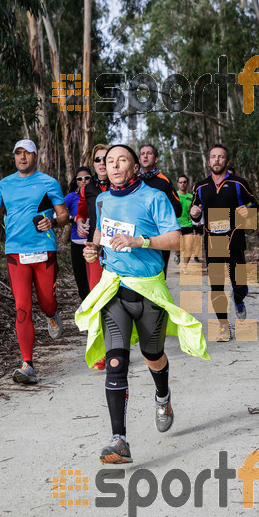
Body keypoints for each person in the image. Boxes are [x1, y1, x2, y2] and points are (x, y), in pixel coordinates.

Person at [75, 144, 209, 464]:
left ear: (135, 166)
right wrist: (92, 249)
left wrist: (140, 241)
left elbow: (177, 240)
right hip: (115, 287)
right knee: (116, 361)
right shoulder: (104, 200)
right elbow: (99, 232)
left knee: (153, 355)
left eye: (122, 160)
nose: (115, 165)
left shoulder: (154, 197)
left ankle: (162, 396)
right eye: (110, 161)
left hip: (148, 289)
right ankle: (118, 439)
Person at [0, 139, 69, 384]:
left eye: (27, 153)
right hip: (15, 252)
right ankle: (27, 365)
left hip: (43, 249)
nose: (22, 158)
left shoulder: (48, 182)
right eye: (18, 153)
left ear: (36, 156)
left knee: (45, 301)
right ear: (14, 157)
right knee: (22, 307)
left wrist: (53, 222)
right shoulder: (5, 184)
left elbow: (64, 215)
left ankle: (51, 313)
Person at [190, 144, 258, 342]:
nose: (217, 160)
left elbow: (254, 204)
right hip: (213, 243)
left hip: (235, 240)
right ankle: (223, 327)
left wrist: (248, 211)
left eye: (221, 157)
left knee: (240, 285)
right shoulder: (201, 186)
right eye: (213, 156)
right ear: (209, 160)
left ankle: (238, 300)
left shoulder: (239, 183)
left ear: (227, 162)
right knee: (217, 286)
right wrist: (194, 214)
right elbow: (195, 211)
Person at [75, 143, 111, 371]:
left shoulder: (124, 186)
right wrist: (79, 221)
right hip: (95, 250)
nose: (100, 163)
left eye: (105, 159)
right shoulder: (87, 188)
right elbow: (81, 211)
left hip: (120, 248)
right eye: (97, 159)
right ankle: (100, 351)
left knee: (117, 299)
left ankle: (118, 347)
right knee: (97, 298)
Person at [138, 143, 182, 277]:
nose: (145, 156)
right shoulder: (133, 180)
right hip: (136, 236)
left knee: (159, 276)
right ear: (139, 159)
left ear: (156, 159)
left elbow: (177, 208)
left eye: (149, 153)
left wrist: (158, 215)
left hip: (160, 238)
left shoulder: (164, 181)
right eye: (142, 154)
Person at [64, 166, 91, 301]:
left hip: (95, 244)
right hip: (77, 243)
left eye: (87, 178)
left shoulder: (97, 194)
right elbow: (58, 213)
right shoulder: (72, 197)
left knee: (94, 279)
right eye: (80, 179)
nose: (84, 181)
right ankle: (86, 308)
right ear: (76, 181)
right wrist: (73, 219)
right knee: (81, 280)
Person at [174, 174, 195, 268]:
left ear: (187, 184)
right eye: (180, 182)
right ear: (178, 184)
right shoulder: (174, 195)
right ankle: (177, 253)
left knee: (189, 247)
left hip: (188, 224)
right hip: (176, 225)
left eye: (185, 182)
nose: (183, 184)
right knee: (177, 246)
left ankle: (185, 266)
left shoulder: (191, 197)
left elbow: (194, 209)